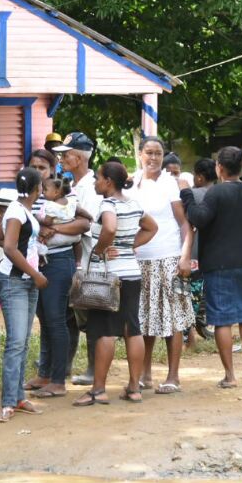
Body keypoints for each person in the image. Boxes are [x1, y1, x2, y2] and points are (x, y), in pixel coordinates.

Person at [181, 146, 242, 389]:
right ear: (241, 167)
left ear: (219, 168)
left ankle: (230, 375)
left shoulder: (216, 194)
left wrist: (186, 195)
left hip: (219, 264)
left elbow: (199, 218)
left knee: (221, 319)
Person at [73, 161, 157, 407]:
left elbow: (109, 227)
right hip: (131, 272)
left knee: (105, 331)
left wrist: (99, 250)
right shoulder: (133, 203)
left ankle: (98, 390)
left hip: (109, 276)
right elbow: (152, 227)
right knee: (133, 328)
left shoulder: (107, 204)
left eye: (98, 178)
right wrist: (129, 246)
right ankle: (134, 387)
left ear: (108, 181)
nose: (96, 183)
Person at [132, 137, 195, 394]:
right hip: (139, 261)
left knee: (172, 319)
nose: (154, 158)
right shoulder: (131, 183)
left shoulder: (171, 184)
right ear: (139, 154)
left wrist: (184, 255)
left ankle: (173, 376)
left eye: (158, 153)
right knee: (144, 318)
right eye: (149, 152)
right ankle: (144, 374)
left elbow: (185, 224)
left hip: (168, 258)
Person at [0, 167, 48, 422]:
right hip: (15, 281)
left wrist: (31, 252)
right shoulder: (17, 211)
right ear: (37, 189)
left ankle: (17, 397)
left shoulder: (21, 210)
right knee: (16, 343)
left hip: (25, 281)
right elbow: (7, 246)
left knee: (23, 341)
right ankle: (7, 402)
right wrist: (34, 272)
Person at [29, 148, 80, 398]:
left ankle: (58, 380)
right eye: (34, 167)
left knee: (56, 319)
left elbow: (83, 222)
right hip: (37, 263)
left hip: (59, 262)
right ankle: (45, 373)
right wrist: (41, 226)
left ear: (53, 172)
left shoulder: (65, 197)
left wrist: (54, 226)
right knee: (45, 319)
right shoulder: (31, 194)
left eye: (43, 168)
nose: (38, 172)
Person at [54, 132, 101, 386]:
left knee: (90, 317)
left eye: (67, 153)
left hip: (90, 260)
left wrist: (56, 227)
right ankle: (68, 363)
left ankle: (94, 369)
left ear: (80, 157)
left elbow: (86, 223)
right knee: (70, 315)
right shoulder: (72, 184)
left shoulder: (91, 188)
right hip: (76, 259)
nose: (62, 158)